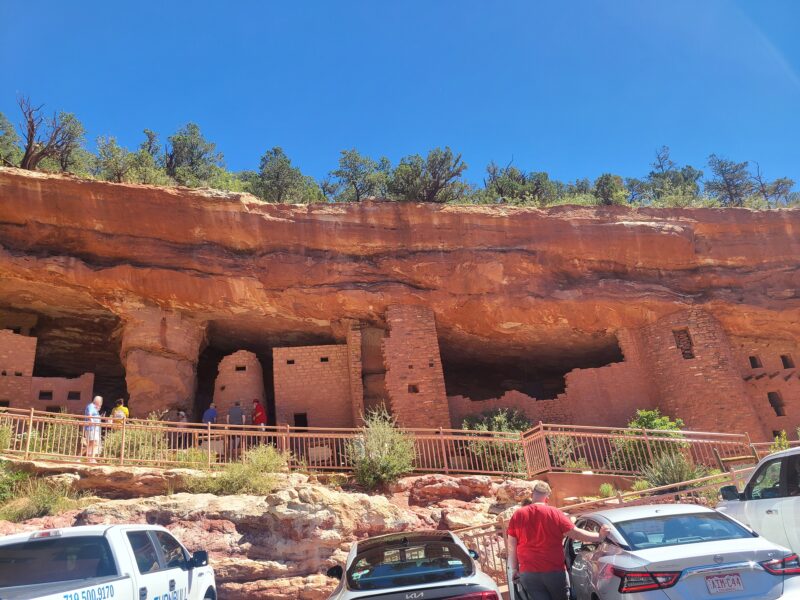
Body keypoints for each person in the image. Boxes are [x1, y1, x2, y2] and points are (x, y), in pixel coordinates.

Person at [507, 480, 609, 600]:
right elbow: (576, 533)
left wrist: (514, 569)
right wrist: (599, 536)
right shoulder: (554, 513)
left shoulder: (518, 515)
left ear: (532, 495)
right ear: (547, 498)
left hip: (528, 572)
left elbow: (511, 546)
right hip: (554, 570)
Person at [83, 396, 104, 462]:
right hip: (91, 428)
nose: (100, 404)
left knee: (94, 444)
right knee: (92, 443)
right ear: (97, 401)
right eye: (100, 403)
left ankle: (91, 458)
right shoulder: (91, 406)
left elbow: (94, 416)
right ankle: (80, 455)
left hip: (95, 428)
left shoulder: (95, 408)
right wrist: (91, 421)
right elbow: (89, 414)